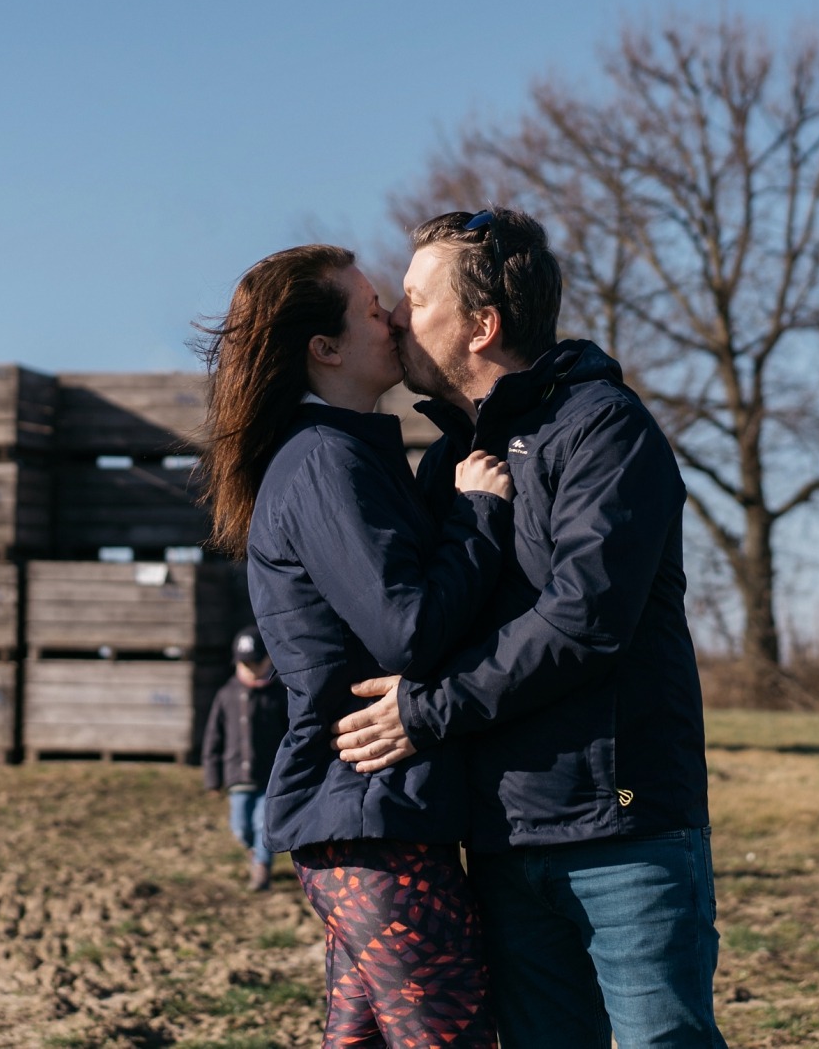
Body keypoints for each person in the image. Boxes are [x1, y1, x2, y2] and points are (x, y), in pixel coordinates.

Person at [332, 208, 726, 1049]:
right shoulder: (447, 465)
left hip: (624, 829)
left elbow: (584, 621)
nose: (396, 318)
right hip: (503, 839)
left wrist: (426, 710)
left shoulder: (602, 430)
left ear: (483, 325)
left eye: (414, 298)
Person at [197, 242, 514, 1049]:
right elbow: (402, 627)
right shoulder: (324, 462)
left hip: (368, 818)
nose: (398, 320)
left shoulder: (346, 456)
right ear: (326, 349)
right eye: (376, 310)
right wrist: (477, 515)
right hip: (373, 818)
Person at [202, 625, 288, 892]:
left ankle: (262, 868)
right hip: (237, 776)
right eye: (244, 664)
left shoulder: (279, 694)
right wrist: (212, 778)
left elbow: (291, 732)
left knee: (263, 824)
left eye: (255, 663)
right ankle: (253, 852)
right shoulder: (226, 694)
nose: (250, 670)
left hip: (270, 776)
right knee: (240, 826)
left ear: (269, 660)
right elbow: (213, 738)